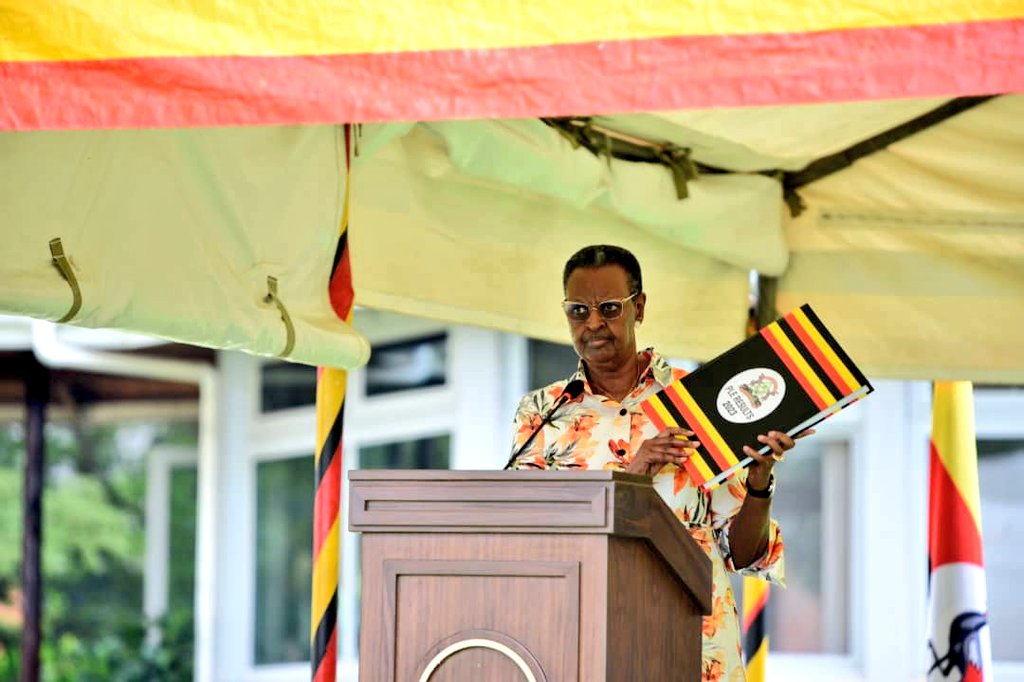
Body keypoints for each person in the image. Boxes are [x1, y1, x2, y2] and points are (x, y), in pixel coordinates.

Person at [508, 244, 812, 682]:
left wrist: (760, 481)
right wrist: (633, 473)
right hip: (587, 640)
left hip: (695, 644)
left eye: (609, 308)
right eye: (578, 311)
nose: (593, 323)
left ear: (640, 308)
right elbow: (528, 538)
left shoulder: (699, 403)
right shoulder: (543, 414)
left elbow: (742, 552)